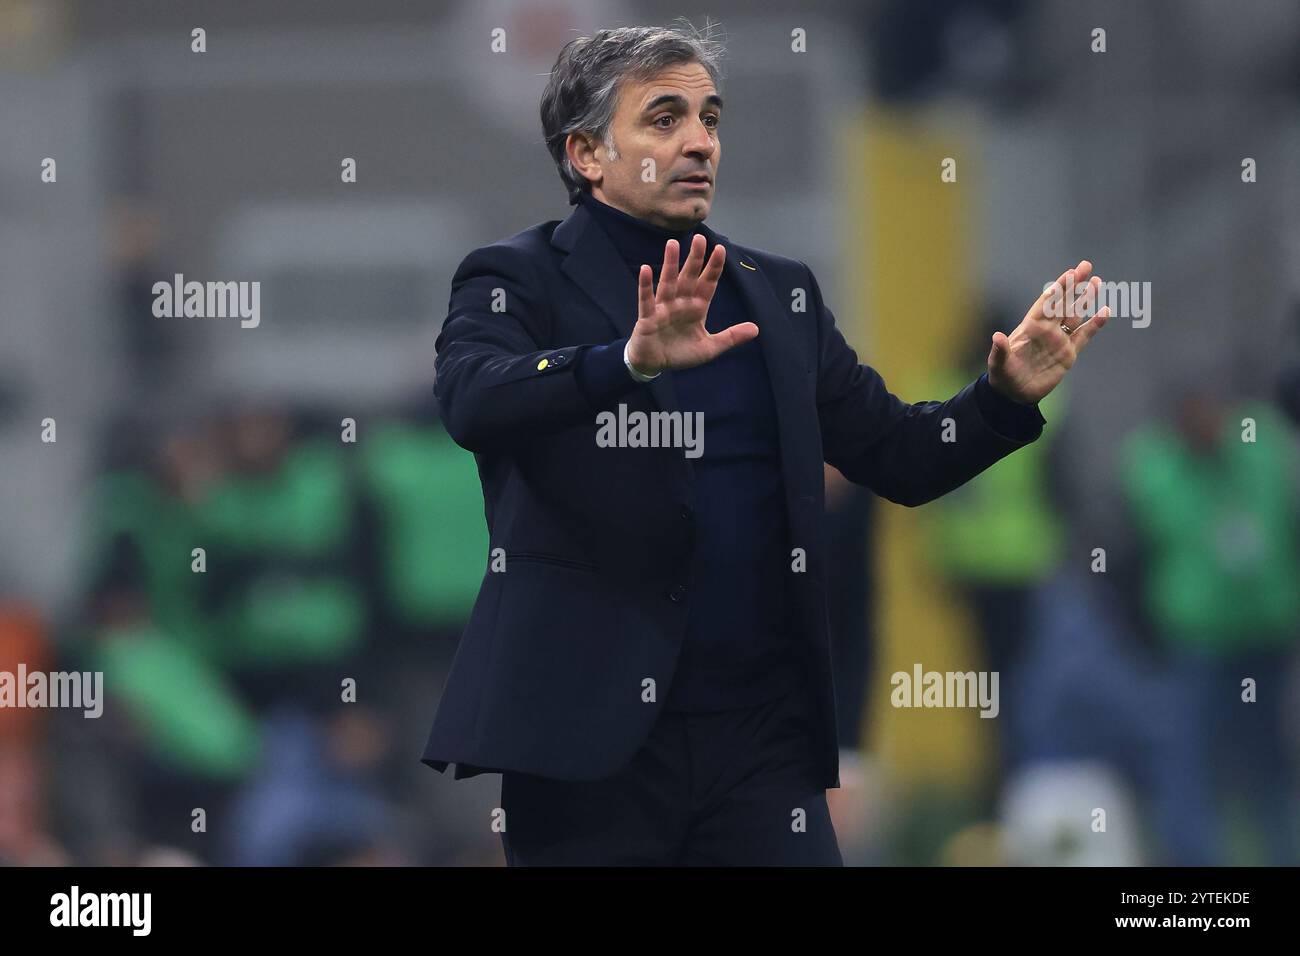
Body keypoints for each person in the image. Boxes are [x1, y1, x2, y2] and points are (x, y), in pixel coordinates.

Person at [422, 22, 1109, 866]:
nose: (699, 141)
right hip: (585, 739)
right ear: (587, 154)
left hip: (759, 743)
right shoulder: (514, 277)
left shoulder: (779, 294)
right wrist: (623, 362)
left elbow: (898, 452)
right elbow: (471, 398)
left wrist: (1000, 397)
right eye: (664, 118)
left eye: (710, 117)